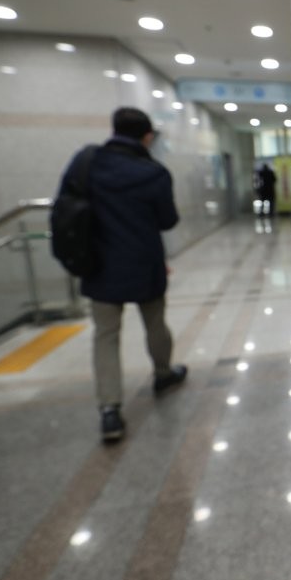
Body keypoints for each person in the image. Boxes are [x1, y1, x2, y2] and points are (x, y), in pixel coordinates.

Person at [57, 107, 188, 443]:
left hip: (97, 264)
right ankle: (163, 373)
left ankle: (110, 409)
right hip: (145, 263)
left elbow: (67, 205)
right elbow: (167, 220)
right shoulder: (153, 173)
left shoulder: (86, 162)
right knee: (155, 322)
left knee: (105, 335)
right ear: (147, 137)